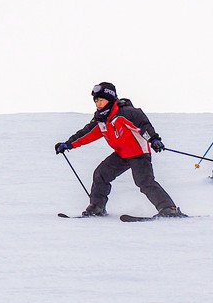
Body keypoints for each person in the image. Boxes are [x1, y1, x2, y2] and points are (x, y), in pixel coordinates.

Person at [54, 82, 184, 217]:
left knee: (144, 181)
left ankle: (169, 208)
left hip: (138, 153)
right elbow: (87, 133)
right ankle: (97, 207)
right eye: (96, 101)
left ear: (109, 99)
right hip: (121, 154)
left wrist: (154, 140)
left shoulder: (125, 112)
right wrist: (68, 144)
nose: (98, 104)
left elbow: (143, 125)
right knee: (101, 174)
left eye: (101, 100)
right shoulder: (101, 120)